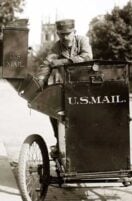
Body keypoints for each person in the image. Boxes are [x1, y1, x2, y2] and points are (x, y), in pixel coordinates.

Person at [38, 19, 93, 156]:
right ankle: (59, 142)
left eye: (68, 33)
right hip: (66, 85)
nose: (65, 37)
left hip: (84, 85)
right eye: (61, 34)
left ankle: (88, 143)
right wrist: (40, 80)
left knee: (86, 114)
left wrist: (64, 61)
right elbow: (48, 63)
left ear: (74, 32)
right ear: (58, 34)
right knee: (54, 112)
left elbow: (87, 57)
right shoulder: (57, 46)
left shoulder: (82, 40)